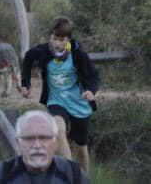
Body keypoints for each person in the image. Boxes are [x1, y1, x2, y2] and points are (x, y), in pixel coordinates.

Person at [21, 17, 100, 175]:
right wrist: (26, 83)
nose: (57, 43)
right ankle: (69, 175)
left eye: (61, 39)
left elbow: (93, 76)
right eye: (54, 38)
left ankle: (83, 179)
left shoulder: (78, 54)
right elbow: (28, 57)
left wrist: (91, 90)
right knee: (58, 131)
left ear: (68, 39)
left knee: (81, 149)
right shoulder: (44, 51)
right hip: (56, 100)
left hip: (79, 102)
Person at [0, 110, 90, 184]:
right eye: (29, 138)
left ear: (55, 143)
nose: (37, 145)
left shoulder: (74, 175)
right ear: (18, 143)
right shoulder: (1, 175)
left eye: (44, 138)